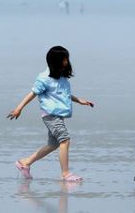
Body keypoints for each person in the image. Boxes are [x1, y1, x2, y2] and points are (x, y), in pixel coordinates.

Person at [8, 46, 94, 181]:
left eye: (67, 58)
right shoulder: (44, 78)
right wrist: (19, 108)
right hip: (50, 115)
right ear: (55, 61)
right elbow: (32, 93)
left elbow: (64, 95)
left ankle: (25, 163)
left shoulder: (62, 77)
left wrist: (80, 100)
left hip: (58, 115)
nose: (67, 61)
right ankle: (65, 174)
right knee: (65, 140)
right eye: (64, 59)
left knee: (53, 145)